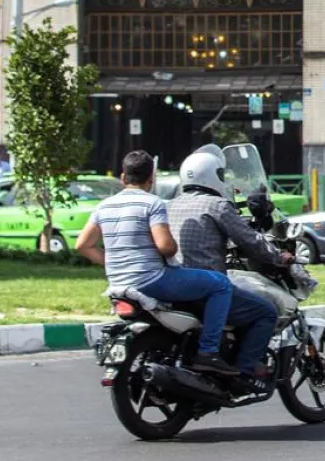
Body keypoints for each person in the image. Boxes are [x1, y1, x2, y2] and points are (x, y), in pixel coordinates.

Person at [76, 150, 240, 378]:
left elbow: (83, 245)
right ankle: (208, 352)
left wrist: (112, 262)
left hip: (117, 282)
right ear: (151, 179)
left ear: (123, 177)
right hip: (152, 280)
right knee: (221, 284)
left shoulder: (104, 206)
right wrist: (173, 245)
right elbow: (166, 247)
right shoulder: (152, 203)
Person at [165, 147, 294, 383]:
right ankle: (244, 372)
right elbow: (251, 241)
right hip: (205, 288)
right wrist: (279, 257)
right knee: (266, 312)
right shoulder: (218, 206)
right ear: (213, 176)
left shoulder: (170, 205)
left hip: (173, 285)